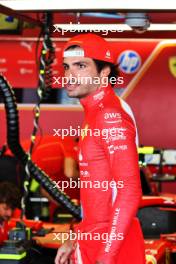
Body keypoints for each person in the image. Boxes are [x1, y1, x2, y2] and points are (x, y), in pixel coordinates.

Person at [55, 33, 145, 264]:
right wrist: (75, 237)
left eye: (81, 66)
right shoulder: (95, 112)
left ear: (104, 73)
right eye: (67, 67)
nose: (69, 75)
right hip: (97, 238)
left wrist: (106, 256)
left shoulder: (109, 114)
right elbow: (96, 198)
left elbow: (129, 191)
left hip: (112, 245)